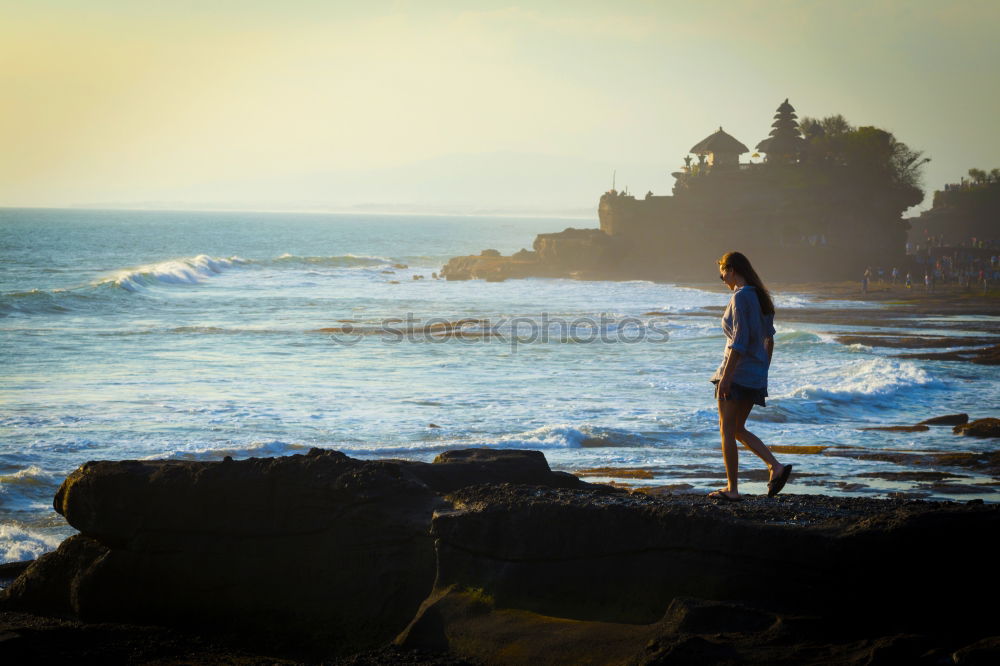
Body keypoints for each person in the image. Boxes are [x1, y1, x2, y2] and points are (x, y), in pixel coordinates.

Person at [709, 251, 792, 501]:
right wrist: (762, 369)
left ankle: (732, 489)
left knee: (726, 429)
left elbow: (739, 340)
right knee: (737, 429)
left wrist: (727, 375)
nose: (721, 277)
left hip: (737, 374)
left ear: (732, 269)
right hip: (754, 373)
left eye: (722, 271)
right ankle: (775, 467)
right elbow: (769, 339)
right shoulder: (760, 297)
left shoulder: (741, 297)